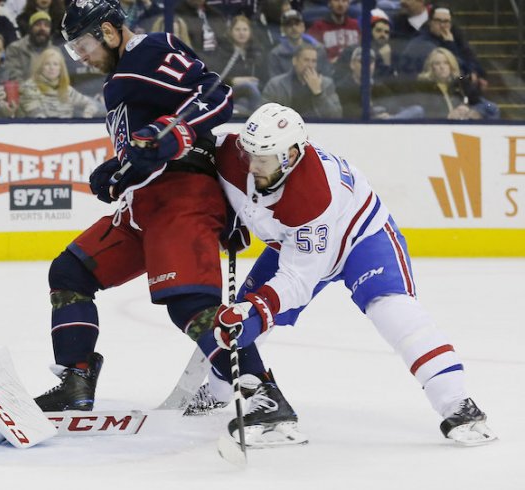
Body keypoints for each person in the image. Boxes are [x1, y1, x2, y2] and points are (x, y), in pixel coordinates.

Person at [209, 102, 498, 447]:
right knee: (239, 324)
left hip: (360, 237)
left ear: (289, 155)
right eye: (250, 153)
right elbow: (199, 153)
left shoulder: (312, 195)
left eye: (264, 157)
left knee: (391, 309)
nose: (252, 164)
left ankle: (458, 404)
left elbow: (298, 281)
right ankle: (216, 390)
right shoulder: (232, 153)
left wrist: (256, 309)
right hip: (292, 243)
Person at [32, 0, 237, 413]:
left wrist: (173, 130)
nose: (81, 57)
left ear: (108, 31)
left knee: (191, 306)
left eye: (82, 45)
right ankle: (77, 380)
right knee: (70, 272)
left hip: (182, 198)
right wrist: (120, 170)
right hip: (144, 204)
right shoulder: (119, 79)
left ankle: (259, 390)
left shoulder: (150, 50)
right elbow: (147, 147)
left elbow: (217, 94)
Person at [407, 47, 496, 120]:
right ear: (431, 67)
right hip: (440, 124)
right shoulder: (423, 84)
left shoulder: (460, 81)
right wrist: (447, 115)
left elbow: (478, 101)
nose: (442, 67)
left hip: (462, 121)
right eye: (437, 64)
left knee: (491, 107)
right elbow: (425, 111)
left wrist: (474, 111)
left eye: (446, 63)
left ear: (451, 65)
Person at [262, 43, 342, 118]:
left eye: (313, 61)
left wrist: (318, 93)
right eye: (306, 60)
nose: (310, 65)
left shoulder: (326, 84)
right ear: (295, 61)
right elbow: (263, 113)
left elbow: (336, 115)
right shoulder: (276, 85)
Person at [18, 47, 98, 118]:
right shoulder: (29, 86)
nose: (52, 68)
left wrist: (86, 117)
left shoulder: (67, 90)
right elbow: (36, 116)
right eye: (47, 64)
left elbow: (91, 104)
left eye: (55, 64)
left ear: (61, 69)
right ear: (41, 66)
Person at [219, 14, 268, 115]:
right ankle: (258, 115)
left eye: (245, 29)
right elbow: (216, 78)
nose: (241, 33)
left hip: (251, 95)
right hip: (229, 92)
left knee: (243, 103)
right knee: (248, 87)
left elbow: (265, 78)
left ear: (250, 32)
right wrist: (233, 80)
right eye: (237, 29)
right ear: (231, 31)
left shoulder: (257, 52)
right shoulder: (221, 51)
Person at [268, 9, 332, 79]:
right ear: (283, 29)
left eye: (297, 24)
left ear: (303, 27)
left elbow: (327, 78)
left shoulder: (319, 49)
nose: (294, 28)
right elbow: (275, 83)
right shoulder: (276, 55)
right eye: (289, 25)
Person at [4, 10, 54, 82]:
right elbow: (13, 77)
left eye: (46, 25)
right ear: (30, 28)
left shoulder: (55, 51)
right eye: (38, 24)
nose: (42, 28)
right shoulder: (15, 48)